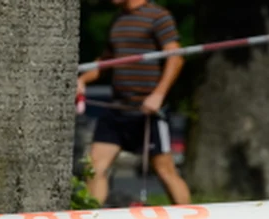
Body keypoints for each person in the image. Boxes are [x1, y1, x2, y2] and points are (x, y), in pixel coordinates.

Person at [79, 0, 190, 206]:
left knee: (165, 170)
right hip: (118, 110)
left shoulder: (158, 16)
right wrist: (81, 80)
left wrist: (158, 95)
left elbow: (175, 57)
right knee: (94, 167)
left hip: (148, 112)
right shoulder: (118, 19)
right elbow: (106, 61)